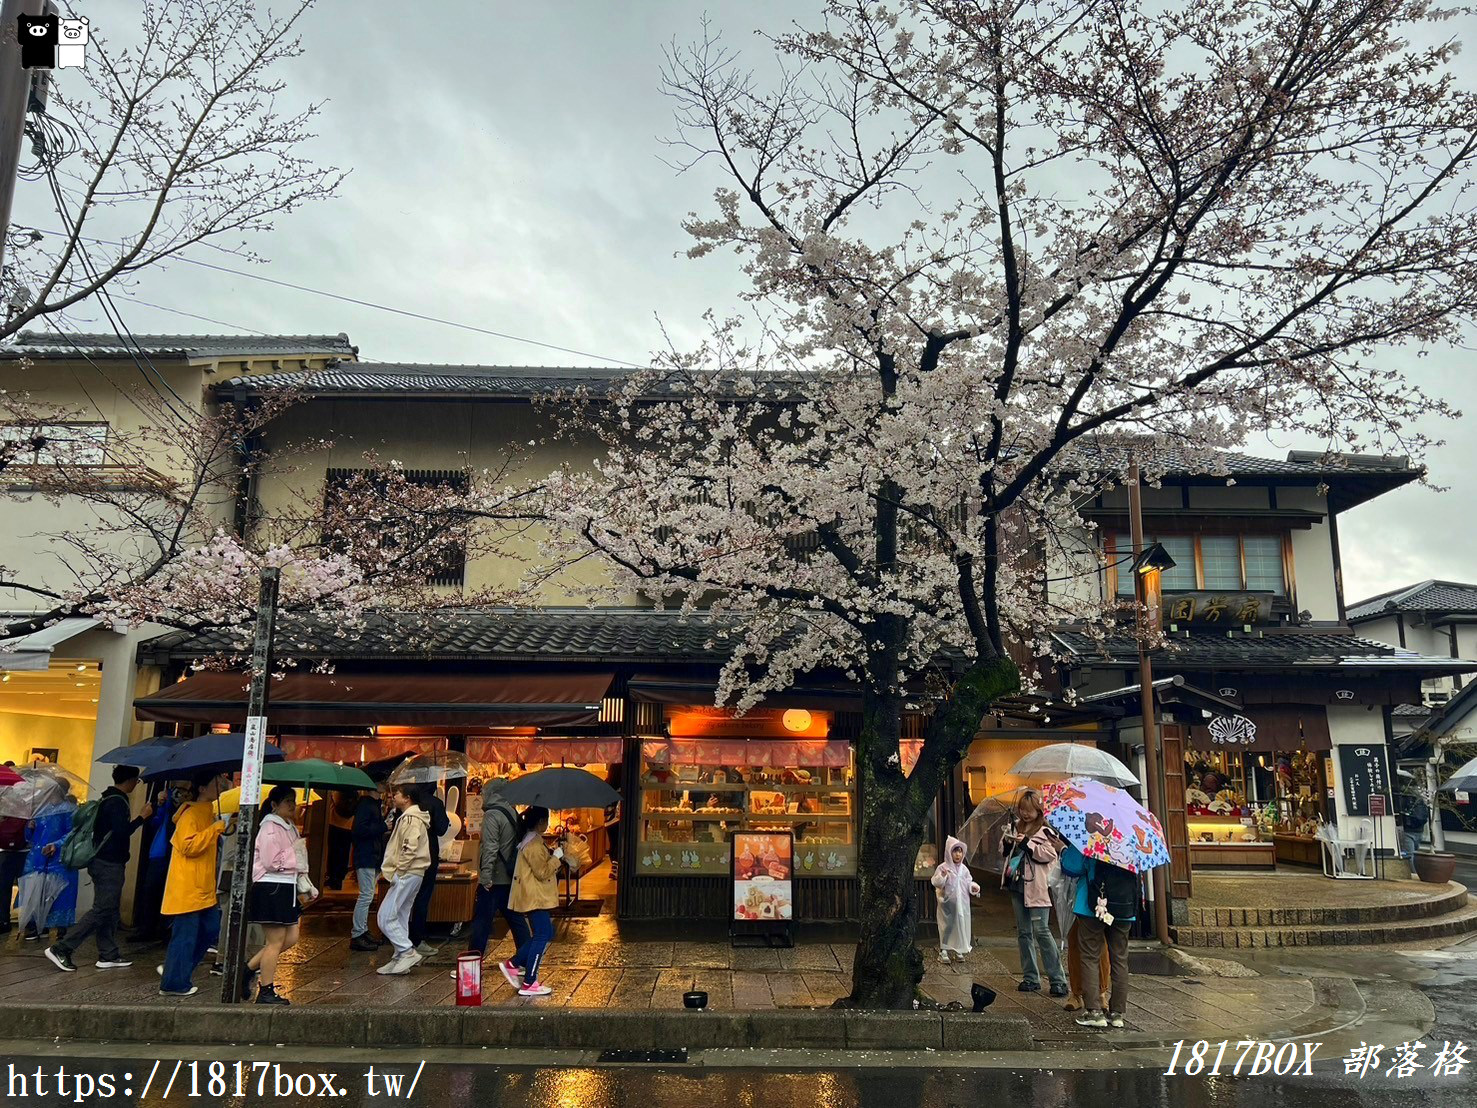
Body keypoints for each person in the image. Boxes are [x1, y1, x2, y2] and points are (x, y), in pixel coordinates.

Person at [45, 765, 153, 971]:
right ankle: (62, 947)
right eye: (136, 781)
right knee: (103, 909)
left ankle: (108, 953)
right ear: (130, 780)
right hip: (109, 864)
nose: (136, 785)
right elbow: (122, 832)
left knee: (110, 910)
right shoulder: (118, 802)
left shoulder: (107, 798)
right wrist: (142, 817)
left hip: (101, 861)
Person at [158, 771, 231, 997]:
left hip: (202, 888)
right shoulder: (190, 815)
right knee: (187, 935)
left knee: (209, 930)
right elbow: (189, 847)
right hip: (188, 887)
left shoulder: (207, 813)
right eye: (215, 782)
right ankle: (173, 983)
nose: (220, 785)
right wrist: (216, 828)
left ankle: (175, 972)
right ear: (201, 789)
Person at [1060, 841, 1138, 1029]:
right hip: (1123, 908)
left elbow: (1071, 867)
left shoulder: (1089, 837)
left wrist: (1063, 849)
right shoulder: (1132, 840)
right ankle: (1117, 1013)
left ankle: (1094, 1011)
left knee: (1089, 956)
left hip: (1091, 907)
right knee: (1120, 959)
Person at [244, 785, 309, 1005]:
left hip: (285, 887)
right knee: (275, 941)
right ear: (274, 805)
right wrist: (296, 852)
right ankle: (266, 990)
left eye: (294, 800)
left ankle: (248, 969)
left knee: (291, 938)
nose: (292, 805)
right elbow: (272, 861)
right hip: (271, 886)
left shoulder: (290, 826)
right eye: (287, 801)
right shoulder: (270, 827)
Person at [1002, 789, 1067, 997]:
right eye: (1022, 809)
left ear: (1038, 811)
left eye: (1029, 810)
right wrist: (1006, 842)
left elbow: (1050, 855)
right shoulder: (1015, 826)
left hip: (1037, 886)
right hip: (1016, 883)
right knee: (1023, 933)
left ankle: (1057, 979)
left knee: (1042, 931)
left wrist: (1027, 843)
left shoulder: (1046, 831)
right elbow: (1005, 853)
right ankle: (1030, 977)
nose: (1024, 814)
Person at [501, 805, 564, 998]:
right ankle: (529, 981)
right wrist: (557, 858)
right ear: (541, 822)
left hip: (533, 895)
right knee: (543, 934)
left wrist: (551, 853)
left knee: (545, 932)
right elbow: (542, 871)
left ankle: (514, 964)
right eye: (546, 820)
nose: (548, 824)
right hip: (535, 896)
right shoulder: (534, 844)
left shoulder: (530, 840)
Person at [466, 778, 530, 961]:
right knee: (516, 919)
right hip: (509, 875)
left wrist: (485, 877)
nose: (481, 797)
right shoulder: (511, 811)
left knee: (482, 921)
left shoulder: (493, 814)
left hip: (494, 878)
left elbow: (490, 846)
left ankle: (472, 961)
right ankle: (526, 958)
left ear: (490, 793)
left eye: (483, 793)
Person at [376, 784, 431, 975]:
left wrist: (399, 870)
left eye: (397, 794)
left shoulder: (410, 819)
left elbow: (409, 846)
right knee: (400, 915)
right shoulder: (413, 817)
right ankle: (400, 956)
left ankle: (406, 951)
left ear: (407, 798)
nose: (393, 797)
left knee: (385, 916)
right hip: (413, 872)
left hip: (407, 872)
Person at [20, 788, 79, 943]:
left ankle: (60, 928)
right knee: (37, 892)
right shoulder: (40, 809)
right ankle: (37, 925)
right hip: (39, 858)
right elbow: (30, 838)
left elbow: (72, 833)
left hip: (59, 859)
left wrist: (57, 845)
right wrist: (30, 827)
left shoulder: (69, 810)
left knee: (61, 894)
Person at [407, 783, 449, 957]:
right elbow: (441, 829)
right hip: (428, 855)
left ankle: (402, 937)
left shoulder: (409, 801)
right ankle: (417, 938)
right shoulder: (435, 803)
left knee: (405, 897)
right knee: (423, 897)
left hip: (408, 855)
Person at [133, 785, 176, 943]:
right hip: (160, 850)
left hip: (174, 853)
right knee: (151, 890)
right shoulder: (166, 796)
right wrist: (159, 805)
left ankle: (164, 929)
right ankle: (148, 928)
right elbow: (156, 823)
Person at [349, 788, 389, 951]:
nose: (384, 785)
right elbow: (359, 830)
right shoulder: (366, 805)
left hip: (372, 855)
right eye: (381, 782)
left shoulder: (373, 804)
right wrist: (383, 826)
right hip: (365, 855)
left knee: (368, 894)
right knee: (366, 895)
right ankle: (357, 933)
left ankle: (363, 931)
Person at [930, 835, 980, 962]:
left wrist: (973, 887)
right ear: (949, 852)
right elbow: (936, 882)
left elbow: (969, 882)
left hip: (962, 904)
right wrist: (943, 876)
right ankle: (944, 949)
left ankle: (959, 949)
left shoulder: (964, 869)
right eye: (955, 851)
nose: (958, 854)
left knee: (961, 925)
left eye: (960, 851)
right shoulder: (943, 867)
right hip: (948, 904)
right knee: (948, 925)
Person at [1400, 788, 1429, 867]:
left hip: (1408, 830)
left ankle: (1414, 873)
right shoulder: (1420, 800)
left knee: (1410, 855)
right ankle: (1416, 871)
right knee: (1415, 853)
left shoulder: (1403, 798)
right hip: (1419, 830)